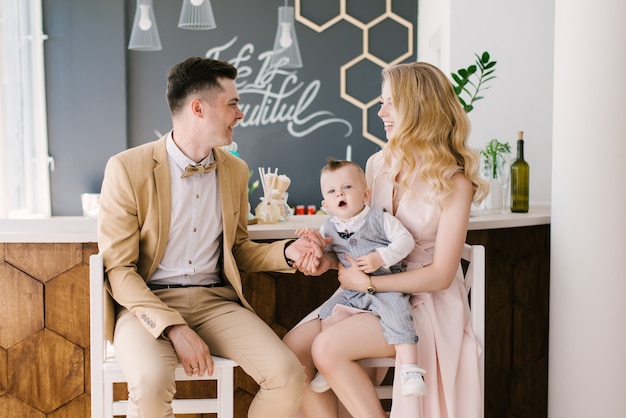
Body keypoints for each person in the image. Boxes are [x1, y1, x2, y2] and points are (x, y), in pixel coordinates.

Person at [97, 57, 325, 418]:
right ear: (198, 108)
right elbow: (119, 271)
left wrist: (288, 253)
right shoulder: (127, 168)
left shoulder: (235, 170)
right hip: (147, 306)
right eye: (233, 103)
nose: (241, 114)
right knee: (152, 383)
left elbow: (238, 250)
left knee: (287, 375)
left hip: (215, 303)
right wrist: (174, 328)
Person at [283, 61, 489, 418]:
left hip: (426, 300)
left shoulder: (455, 183)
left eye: (391, 103)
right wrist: (326, 258)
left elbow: (441, 274)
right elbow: (360, 232)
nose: (381, 112)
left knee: (328, 348)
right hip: (369, 288)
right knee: (290, 353)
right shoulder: (378, 164)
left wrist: (369, 283)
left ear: (419, 108)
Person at [297, 158, 427, 398]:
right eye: (332, 191)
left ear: (365, 195)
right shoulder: (330, 227)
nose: (340, 194)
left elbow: (405, 241)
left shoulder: (379, 219)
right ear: (326, 204)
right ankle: (328, 368)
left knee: (398, 314)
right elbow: (324, 250)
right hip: (352, 292)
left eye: (347, 187)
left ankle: (411, 370)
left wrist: (381, 257)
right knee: (329, 314)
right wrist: (313, 241)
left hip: (386, 286)